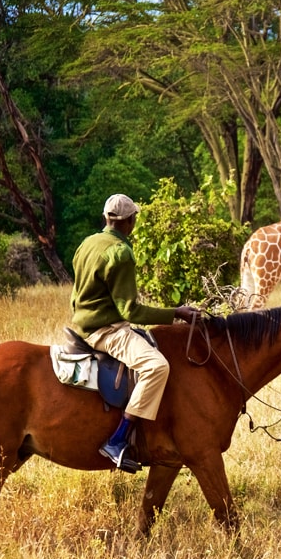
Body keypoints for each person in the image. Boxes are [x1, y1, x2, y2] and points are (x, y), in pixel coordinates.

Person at [71, 193, 200, 473]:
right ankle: (117, 440)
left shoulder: (87, 243)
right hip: (106, 331)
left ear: (106, 218)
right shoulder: (121, 253)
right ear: (130, 222)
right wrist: (176, 312)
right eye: (134, 219)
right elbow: (130, 310)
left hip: (80, 324)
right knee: (157, 366)